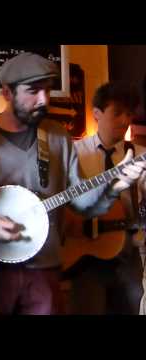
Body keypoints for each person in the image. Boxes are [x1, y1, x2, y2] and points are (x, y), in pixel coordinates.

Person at [0, 52, 146, 315]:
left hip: (45, 270)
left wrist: (115, 186)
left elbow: (81, 203)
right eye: (33, 91)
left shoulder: (56, 136)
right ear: (7, 93)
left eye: (47, 90)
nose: (44, 100)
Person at [67, 82, 145, 314]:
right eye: (118, 112)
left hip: (128, 254)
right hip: (85, 256)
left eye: (129, 114)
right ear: (97, 114)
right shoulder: (76, 154)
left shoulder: (140, 156)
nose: (125, 120)